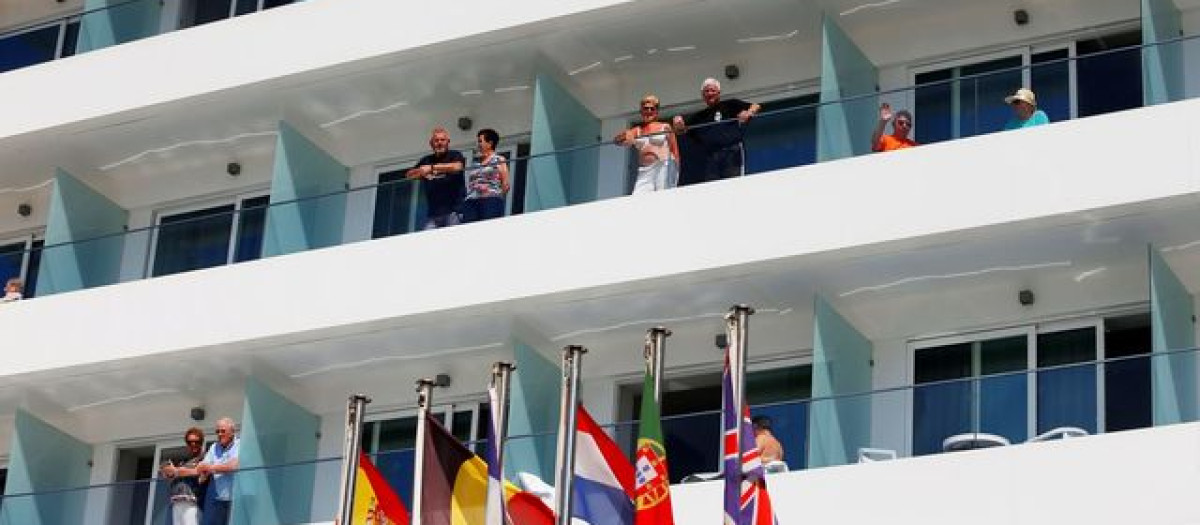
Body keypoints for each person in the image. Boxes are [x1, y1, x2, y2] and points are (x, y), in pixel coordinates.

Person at [671, 78, 761, 184]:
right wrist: (678, 125)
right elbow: (682, 131)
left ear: (719, 93)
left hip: (731, 152)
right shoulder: (699, 116)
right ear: (703, 95)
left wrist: (748, 112)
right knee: (713, 188)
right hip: (711, 157)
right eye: (706, 91)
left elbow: (756, 106)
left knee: (735, 184)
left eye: (712, 90)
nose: (710, 93)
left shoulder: (730, 104)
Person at [615, 94, 681, 194]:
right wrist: (625, 135)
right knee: (637, 197)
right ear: (641, 111)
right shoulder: (637, 130)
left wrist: (675, 173)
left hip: (663, 166)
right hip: (644, 170)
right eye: (646, 109)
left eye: (652, 109)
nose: (649, 111)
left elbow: (675, 151)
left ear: (656, 112)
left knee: (662, 196)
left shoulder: (665, 126)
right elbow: (616, 141)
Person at [406, 128, 466, 230]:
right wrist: (421, 172)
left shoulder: (455, 155)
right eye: (436, 140)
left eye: (442, 140)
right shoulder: (426, 160)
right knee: (428, 242)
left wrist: (432, 168)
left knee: (453, 241)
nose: (439, 143)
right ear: (431, 143)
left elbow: (458, 167)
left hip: (454, 211)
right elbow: (409, 175)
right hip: (433, 213)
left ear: (448, 142)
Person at [461, 128, 509, 223]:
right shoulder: (476, 163)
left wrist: (495, 196)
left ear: (490, 143)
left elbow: (506, 185)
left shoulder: (499, 159)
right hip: (471, 202)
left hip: (490, 200)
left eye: (480, 141)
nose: (478, 144)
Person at [160, 427, 207, 525]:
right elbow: (167, 473)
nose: (193, 444)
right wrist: (169, 471)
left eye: (196, 441)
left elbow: (197, 471)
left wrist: (176, 471)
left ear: (201, 442)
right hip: (177, 501)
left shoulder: (205, 458)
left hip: (193, 502)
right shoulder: (183, 462)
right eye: (190, 442)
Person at [197, 418, 239, 525]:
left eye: (223, 431)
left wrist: (210, 468)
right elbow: (202, 467)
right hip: (218, 499)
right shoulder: (214, 447)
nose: (219, 434)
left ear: (232, 431)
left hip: (235, 499)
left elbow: (233, 466)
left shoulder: (240, 444)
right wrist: (204, 472)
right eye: (217, 431)